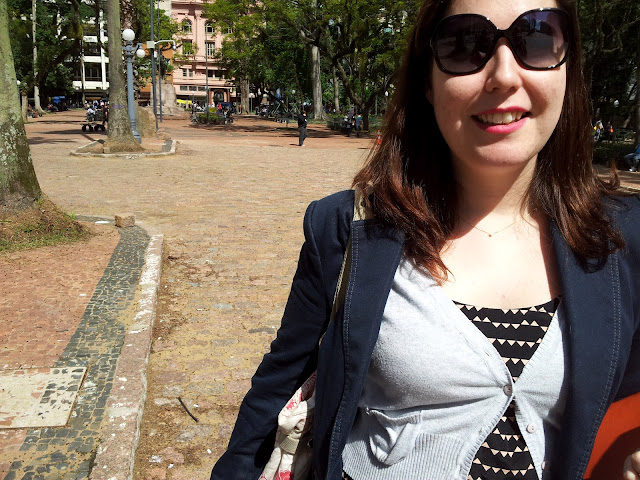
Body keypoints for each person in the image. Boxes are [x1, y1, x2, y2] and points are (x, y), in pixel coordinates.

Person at [211, 0, 640, 479]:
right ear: (428, 83)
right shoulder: (349, 228)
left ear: (568, 69)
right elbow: (276, 389)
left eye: (537, 40)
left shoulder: (623, 237)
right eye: (465, 46)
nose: (503, 75)